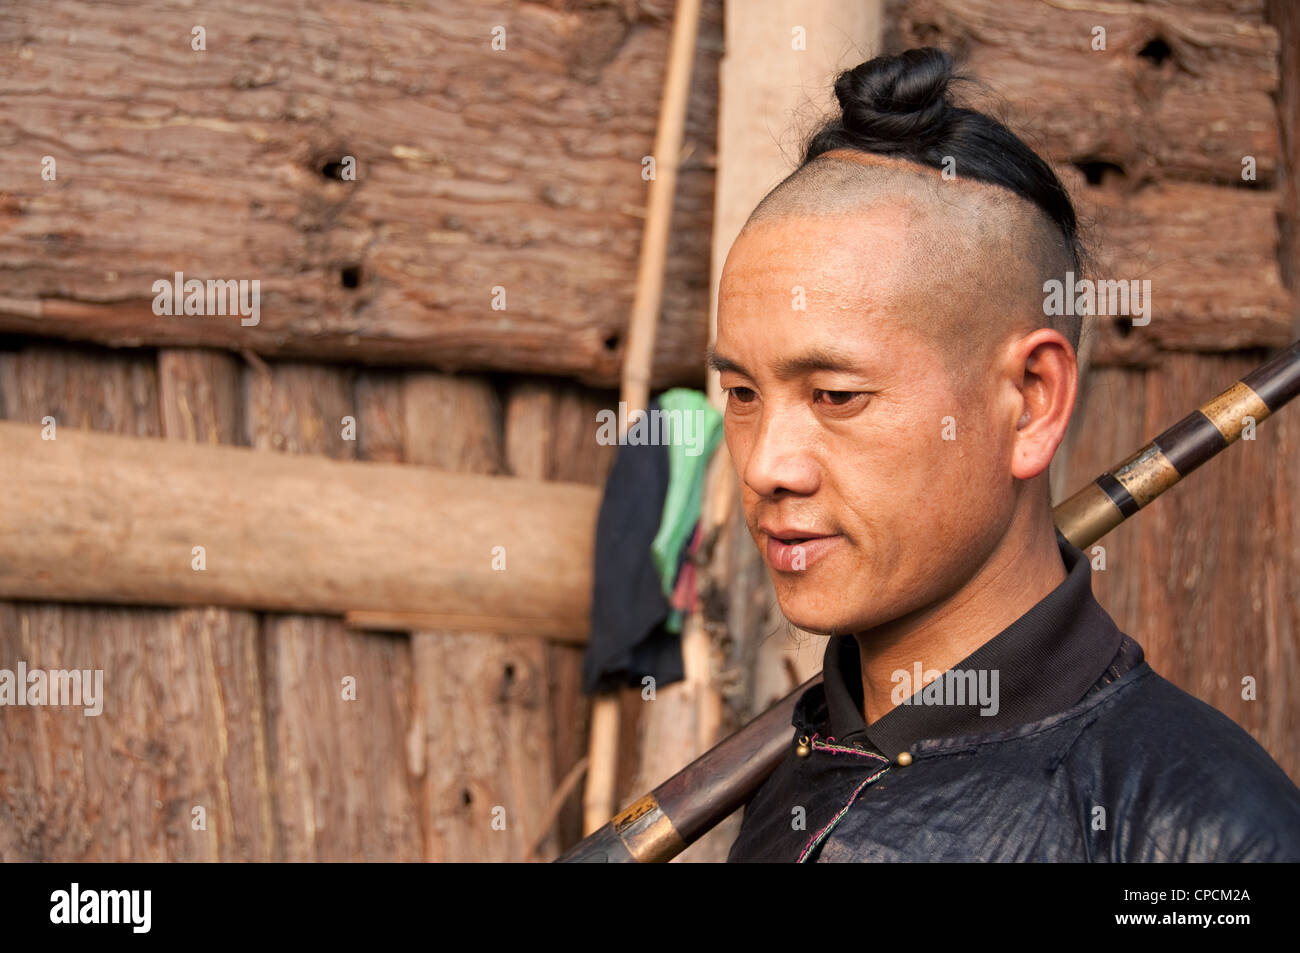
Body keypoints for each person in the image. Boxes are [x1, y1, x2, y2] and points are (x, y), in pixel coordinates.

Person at [712, 47, 1300, 862]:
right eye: (742, 394)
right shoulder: (796, 775)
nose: (765, 466)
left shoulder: (1204, 837)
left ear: (1030, 400)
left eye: (835, 395)